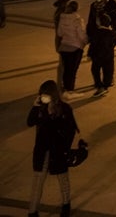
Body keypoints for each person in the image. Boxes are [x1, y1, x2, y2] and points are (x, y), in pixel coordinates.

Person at [27, 79, 78, 217]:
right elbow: (30, 122)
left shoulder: (64, 109)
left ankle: (66, 204)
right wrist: (35, 107)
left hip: (58, 150)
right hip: (42, 150)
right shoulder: (40, 109)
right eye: (41, 94)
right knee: (38, 181)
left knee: (63, 179)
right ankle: (32, 212)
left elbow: (71, 130)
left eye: (46, 94)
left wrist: (65, 148)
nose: (43, 96)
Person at [85, 0, 116, 96]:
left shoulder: (112, 4)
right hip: (98, 38)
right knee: (100, 63)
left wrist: (112, 30)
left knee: (105, 63)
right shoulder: (93, 6)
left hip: (107, 38)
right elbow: (90, 21)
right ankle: (103, 82)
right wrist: (89, 34)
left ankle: (103, 85)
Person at [56, 1, 87, 94]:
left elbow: (59, 33)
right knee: (72, 70)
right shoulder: (77, 20)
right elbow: (81, 35)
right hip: (75, 48)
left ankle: (65, 88)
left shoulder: (62, 18)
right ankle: (70, 90)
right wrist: (86, 41)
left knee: (66, 69)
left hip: (64, 47)